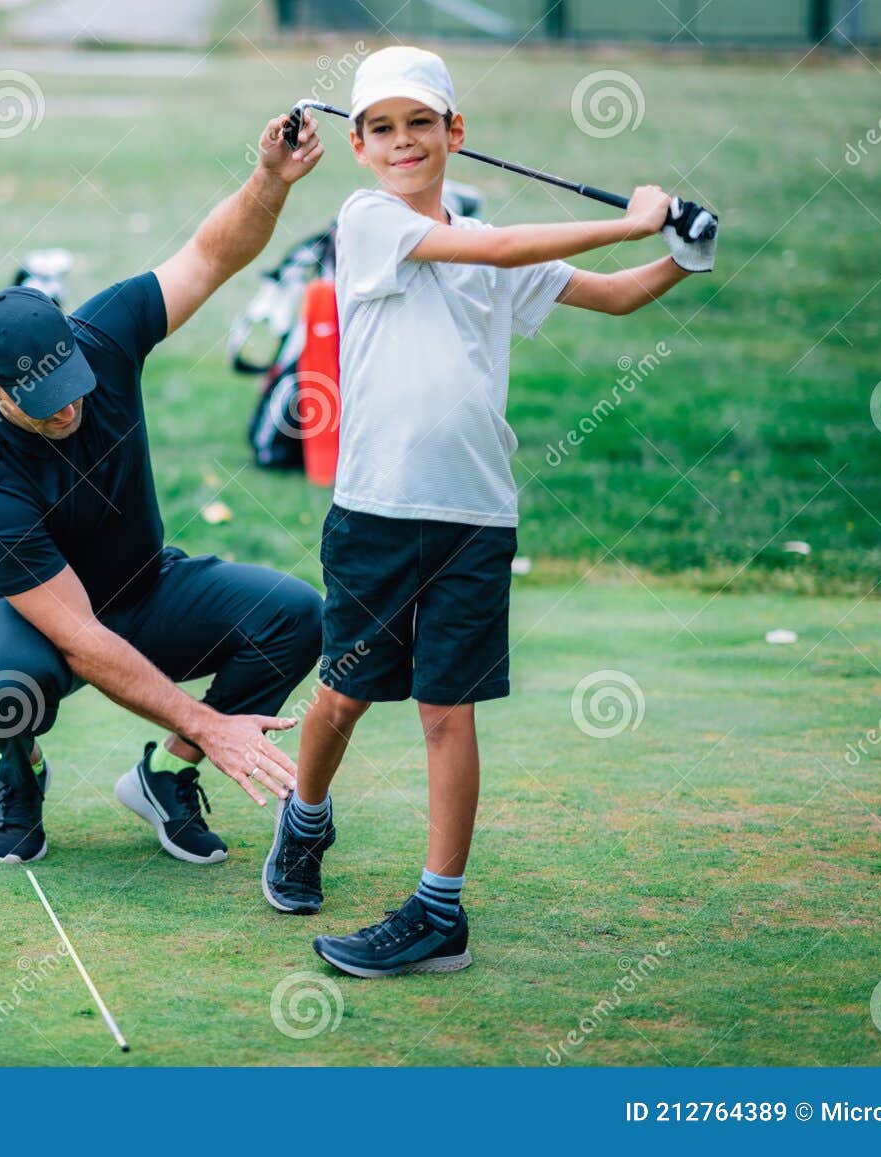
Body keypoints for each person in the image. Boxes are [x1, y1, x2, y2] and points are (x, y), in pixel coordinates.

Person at [259, 46, 716, 976]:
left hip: (474, 516)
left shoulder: (490, 241)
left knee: (445, 710)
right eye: (380, 128)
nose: (401, 142)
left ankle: (439, 910)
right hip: (376, 511)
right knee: (344, 694)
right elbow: (505, 246)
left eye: (419, 124)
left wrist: (679, 257)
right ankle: (306, 819)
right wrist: (626, 221)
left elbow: (618, 299)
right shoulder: (368, 221)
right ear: (359, 146)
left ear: (454, 134)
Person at [0, 111, 331, 866]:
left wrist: (268, 181)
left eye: (71, 384)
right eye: (41, 398)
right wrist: (213, 719)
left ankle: (165, 776)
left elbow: (210, 256)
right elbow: (81, 638)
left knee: (296, 617)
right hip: (45, 622)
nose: (68, 407)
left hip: (147, 586)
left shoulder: (105, 333)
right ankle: (20, 769)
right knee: (7, 691)